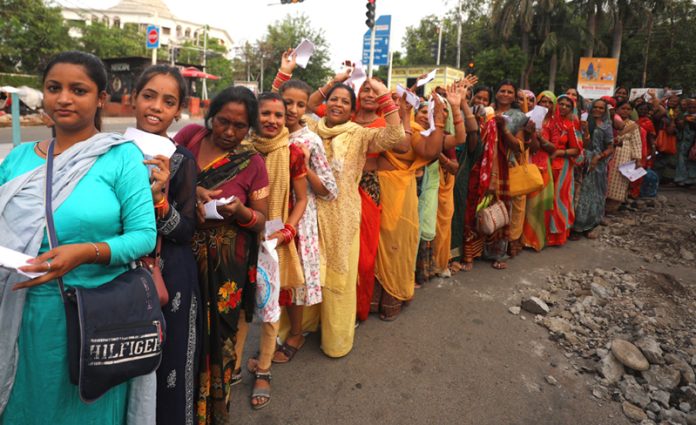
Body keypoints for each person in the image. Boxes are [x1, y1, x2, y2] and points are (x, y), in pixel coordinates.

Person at [0, 51, 156, 424]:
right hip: (21, 315)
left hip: (91, 318)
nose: (64, 98)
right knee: (25, 406)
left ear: (100, 98)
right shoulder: (18, 158)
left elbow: (144, 236)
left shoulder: (121, 158)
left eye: (78, 90)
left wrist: (86, 252)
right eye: (54, 88)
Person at [173, 86, 269, 424]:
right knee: (179, 336)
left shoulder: (253, 162)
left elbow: (261, 221)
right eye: (223, 121)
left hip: (226, 269)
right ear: (210, 116)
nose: (229, 132)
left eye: (239, 126)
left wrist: (241, 212)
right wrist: (191, 191)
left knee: (218, 342)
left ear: (250, 127)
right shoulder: (189, 138)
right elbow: (161, 179)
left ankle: (211, 413)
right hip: (181, 257)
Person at [307, 79, 404, 357]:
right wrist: (334, 81)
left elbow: (395, 136)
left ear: (352, 110)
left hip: (343, 214)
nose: (337, 104)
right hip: (310, 212)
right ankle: (308, 324)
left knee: (339, 276)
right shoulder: (313, 127)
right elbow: (307, 106)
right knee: (312, 271)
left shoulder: (359, 134)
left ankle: (336, 339)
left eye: (345, 101)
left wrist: (385, 97)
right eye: (334, 99)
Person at [131, 65, 201, 425]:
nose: (156, 107)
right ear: (132, 99)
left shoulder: (181, 160)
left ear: (179, 110)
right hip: (116, 272)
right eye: (149, 96)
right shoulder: (108, 151)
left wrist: (160, 200)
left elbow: (186, 230)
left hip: (169, 276)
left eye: (168, 101)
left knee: (169, 368)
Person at [237, 91, 308, 410]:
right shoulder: (240, 149)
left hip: (272, 240)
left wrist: (287, 230)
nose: (273, 120)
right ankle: (232, 366)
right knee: (237, 304)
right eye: (265, 113)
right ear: (254, 116)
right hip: (237, 236)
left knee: (268, 306)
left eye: (278, 115)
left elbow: (302, 198)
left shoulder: (293, 152)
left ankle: (264, 368)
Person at [270, 57, 338, 358]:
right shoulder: (269, 132)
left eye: (300, 105)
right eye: (288, 103)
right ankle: (269, 335)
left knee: (294, 278)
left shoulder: (310, 139)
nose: (293, 110)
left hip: (299, 217)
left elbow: (329, 191)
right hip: (271, 212)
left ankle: (296, 334)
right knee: (270, 273)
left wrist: (305, 163)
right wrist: (284, 70)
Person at [492, 80, 526, 265]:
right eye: (502, 90)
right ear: (496, 93)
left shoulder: (518, 116)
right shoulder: (486, 110)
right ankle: (480, 248)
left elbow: (519, 147)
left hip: (506, 164)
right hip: (484, 164)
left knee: (504, 208)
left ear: (514, 97)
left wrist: (504, 129)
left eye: (509, 92)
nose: (505, 94)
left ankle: (499, 252)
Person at [572, 99, 615, 238]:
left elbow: (610, 147)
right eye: (595, 107)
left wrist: (599, 157)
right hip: (583, 161)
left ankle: (589, 224)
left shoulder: (607, 126)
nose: (597, 110)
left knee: (593, 194)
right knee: (580, 192)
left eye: (601, 108)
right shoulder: (585, 122)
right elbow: (583, 143)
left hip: (598, 164)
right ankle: (576, 225)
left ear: (605, 110)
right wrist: (584, 130)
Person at [521, 91, 557, 251]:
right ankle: (520, 239)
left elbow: (553, 149)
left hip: (542, 165)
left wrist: (541, 137)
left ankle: (534, 240)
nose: (546, 105)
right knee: (524, 203)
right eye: (543, 102)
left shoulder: (555, 123)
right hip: (526, 162)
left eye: (550, 103)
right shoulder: (527, 118)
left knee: (538, 204)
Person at [546, 95, 582, 246]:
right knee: (545, 198)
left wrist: (560, 153)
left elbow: (577, 150)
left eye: (568, 105)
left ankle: (556, 236)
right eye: (561, 104)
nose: (564, 107)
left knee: (558, 199)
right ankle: (542, 233)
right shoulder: (547, 122)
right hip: (545, 163)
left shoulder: (570, 125)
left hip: (563, 168)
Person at [606, 100, 644, 212]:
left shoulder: (633, 125)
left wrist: (637, 159)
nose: (625, 111)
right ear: (616, 109)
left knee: (619, 180)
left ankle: (612, 207)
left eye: (628, 109)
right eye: (623, 108)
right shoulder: (610, 121)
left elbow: (636, 143)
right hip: (609, 153)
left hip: (624, 155)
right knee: (607, 178)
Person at [674, 98, 696, 186]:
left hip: (693, 142)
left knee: (693, 160)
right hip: (684, 141)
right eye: (690, 107)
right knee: (682, 160)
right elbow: (680, 126)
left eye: (694, 107)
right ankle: (681, 178)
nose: (692, 109)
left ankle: (691, 179)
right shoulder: (685, 115)